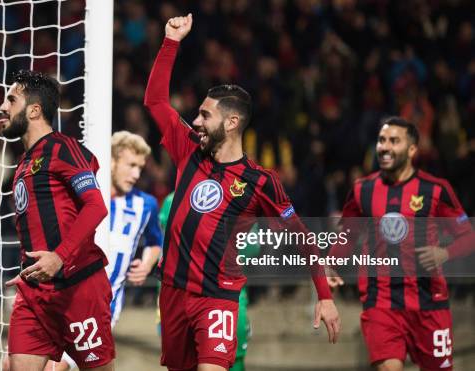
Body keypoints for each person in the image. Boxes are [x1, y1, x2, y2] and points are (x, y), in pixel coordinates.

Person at [144, 14, 340, 371]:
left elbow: (300, 236)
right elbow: (156, 103)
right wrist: (171, 42)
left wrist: (324, 296)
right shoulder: (188, 149)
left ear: (232, 123)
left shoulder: (259, 181)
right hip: (172, 291)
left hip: (217, 297)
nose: (197, 121)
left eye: (205, 115)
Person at [327, 117, 475, 371]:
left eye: (394, 141)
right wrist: (330, 264)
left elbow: (469, 236)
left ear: (412, 149)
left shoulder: (436, 190)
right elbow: (348, 235)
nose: (385, 147)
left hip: (429, 303)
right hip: (381, 302)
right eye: (382, 140)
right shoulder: (363, 190)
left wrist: (445, 252)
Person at [0, 70, 115, 371]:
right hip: (35, 294)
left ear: (34, 110)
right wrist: (29, 268)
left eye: (11, 100)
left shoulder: (62, 147)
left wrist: (59, 258)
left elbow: (95, 206)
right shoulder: (24, 163)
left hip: (78, 289)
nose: (2, 107)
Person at [47, 131, 163, 371]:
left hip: (102, 307)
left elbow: (155, 242)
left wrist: (147, 264)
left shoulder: (146, 204)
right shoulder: (86, 197)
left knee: (54, 367)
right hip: (64, 295)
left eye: (140, 168)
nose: (136, 174)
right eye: (131, 165)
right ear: (112, 161)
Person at [158, 192, 256, 371]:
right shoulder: (174, 200)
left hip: (222, 299)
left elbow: (252, 248)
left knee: (227, 361)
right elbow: (166, 255)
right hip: (201, 298)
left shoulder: (243, 198)